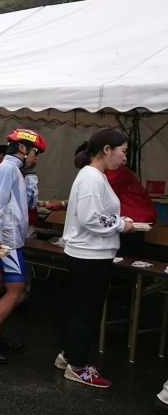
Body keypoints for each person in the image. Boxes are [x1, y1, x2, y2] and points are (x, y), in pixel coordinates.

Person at [56, 129, 133, 389]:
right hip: (89, 254)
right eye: (122, 151)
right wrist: (122, 224)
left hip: (88, 253)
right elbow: (91, 218)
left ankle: (67, 355)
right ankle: (76, 366)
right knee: (87, 312)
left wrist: (120, 223)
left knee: (81, 308)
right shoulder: (92, 178)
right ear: (106, 149)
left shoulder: (94, 176)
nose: (124, 158)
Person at [0, 129, 46, 363]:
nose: (37, 157)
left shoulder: (15, 170)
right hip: (6, 240)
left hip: (2, 237)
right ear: (23, 148)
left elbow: (30, 202)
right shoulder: (7, 168)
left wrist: (32, 175)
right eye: (36, 152)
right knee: (17, 292)